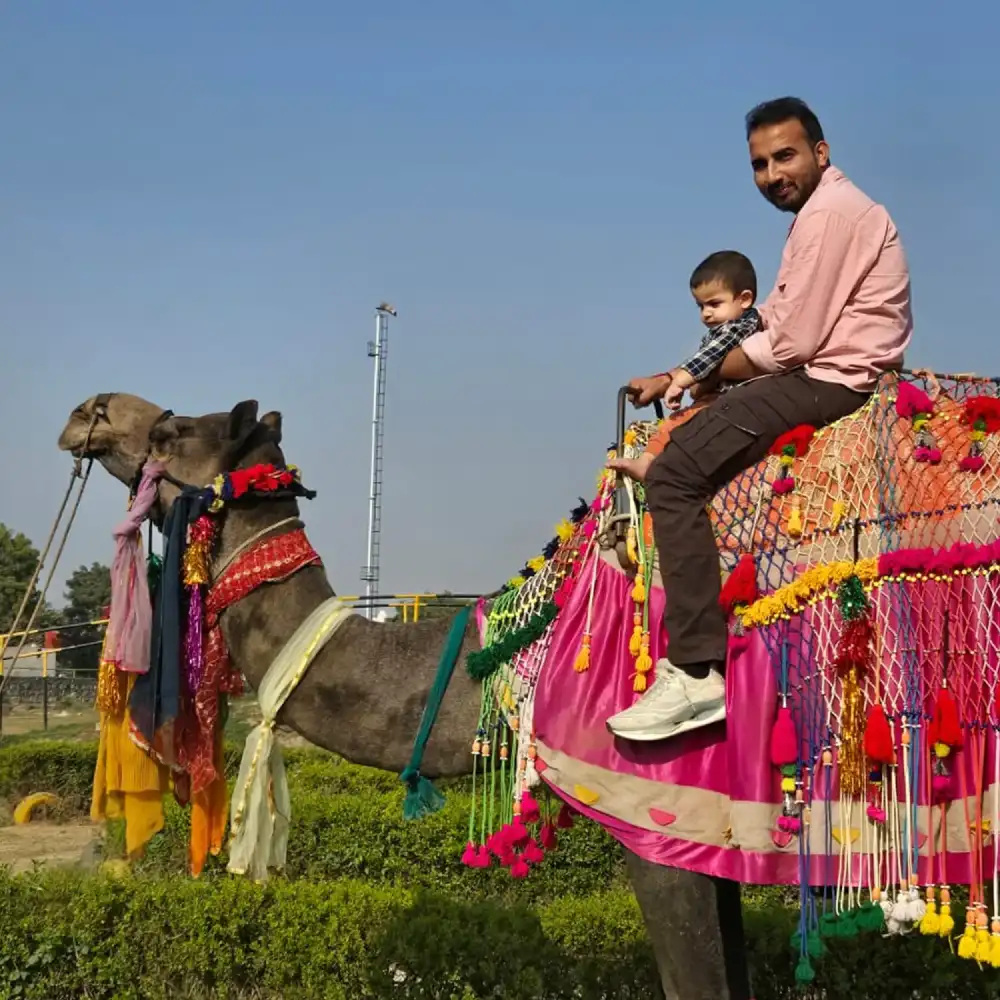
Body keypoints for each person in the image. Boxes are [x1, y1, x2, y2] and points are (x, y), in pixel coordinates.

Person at [607, 96, 912, 742]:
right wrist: (678, 376)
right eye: (760, 164)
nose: (773, 173)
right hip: (815, 371)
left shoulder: (829, 215)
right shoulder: (817, 215)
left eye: (785, 156)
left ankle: (694, 672)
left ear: (820, 153)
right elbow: (767, 319)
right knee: (691, 432)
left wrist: (704, 376)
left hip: (830, 381)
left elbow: (793, 342)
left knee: (676, 478)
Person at [607, 250, 762, 483]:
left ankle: (648, 464)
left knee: (678, 423)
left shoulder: (737, 327)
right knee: (678, 421)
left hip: (729, 399)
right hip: (723, 397)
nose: (706, 314)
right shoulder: (732, 325)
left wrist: (679, 381)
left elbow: (710, 355)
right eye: (701, 306)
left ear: (744, 299)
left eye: (714, 304)